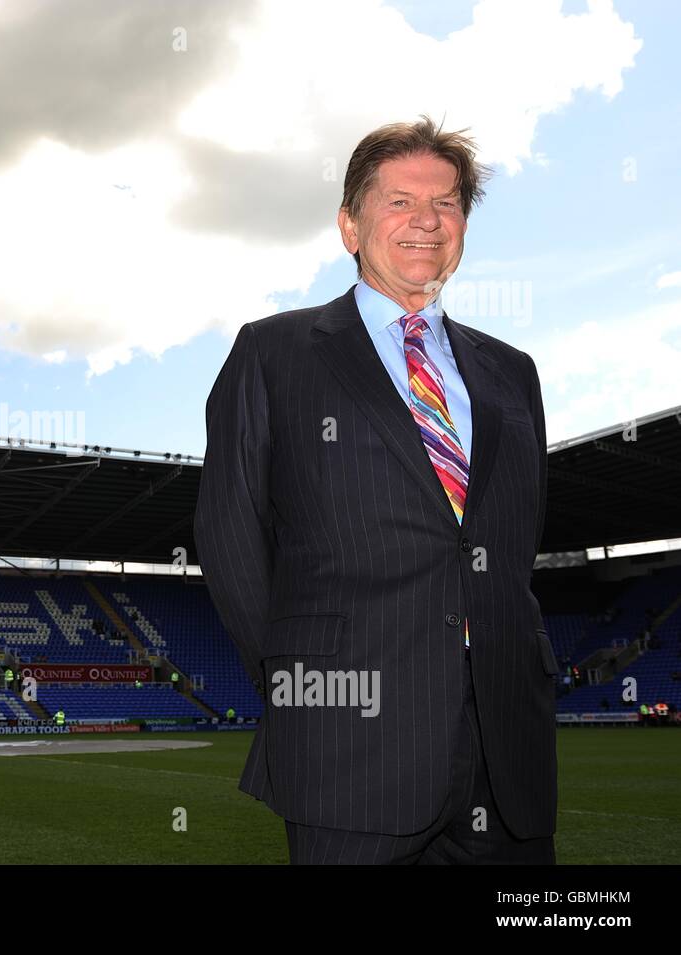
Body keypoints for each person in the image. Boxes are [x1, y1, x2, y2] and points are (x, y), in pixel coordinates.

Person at [196, 116, 555, 864]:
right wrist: (307, 694)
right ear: (350, 226)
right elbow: (230, 537)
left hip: (505, 754)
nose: (427, 220)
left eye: (448, 204)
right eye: (399, 202)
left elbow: (511, 546)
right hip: (348, 750)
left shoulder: (512, 372)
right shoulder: (274, 353)